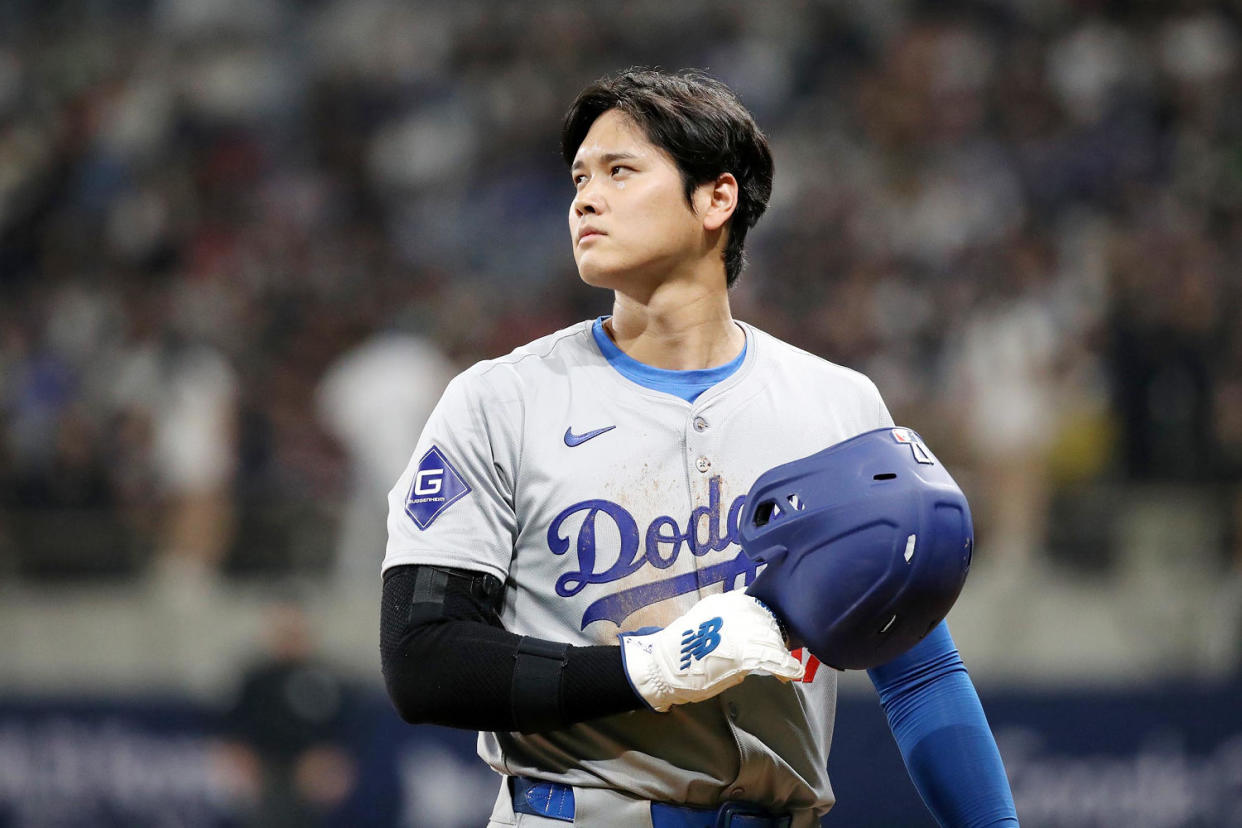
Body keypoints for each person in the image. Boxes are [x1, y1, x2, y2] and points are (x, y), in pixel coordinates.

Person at [380, 68, 1018, 827]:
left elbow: (919, 675)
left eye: (621, 171)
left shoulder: (835, 405)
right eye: (580, 177)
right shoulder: (499, 401)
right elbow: (424, 659)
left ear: (718, 198)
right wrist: (649, 668)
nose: (585, 197)